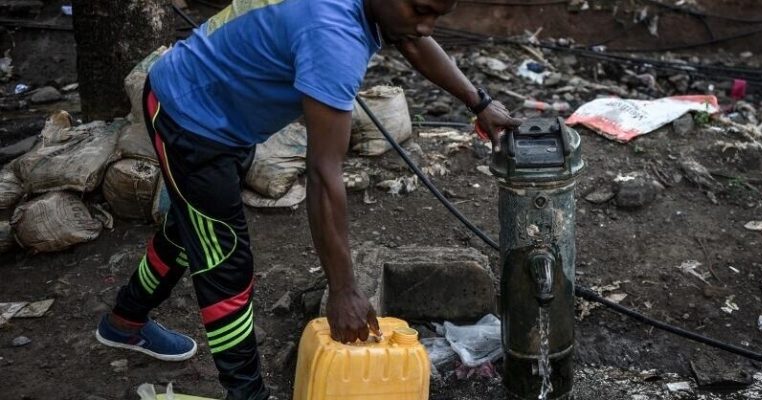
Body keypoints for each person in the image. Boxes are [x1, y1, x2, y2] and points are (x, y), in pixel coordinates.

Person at [93, 0, 521, 398]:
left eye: (436, 16)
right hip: (189, 117)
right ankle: (246, 393)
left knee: (192, 229)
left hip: (221, 111)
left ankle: (124, 322)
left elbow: (411, 36)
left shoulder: (379, 11)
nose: (426, 25)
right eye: (420, 10)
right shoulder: (333, 37)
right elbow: (323, 173)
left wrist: (479, 102)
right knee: (226, 260)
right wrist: (343, 290)